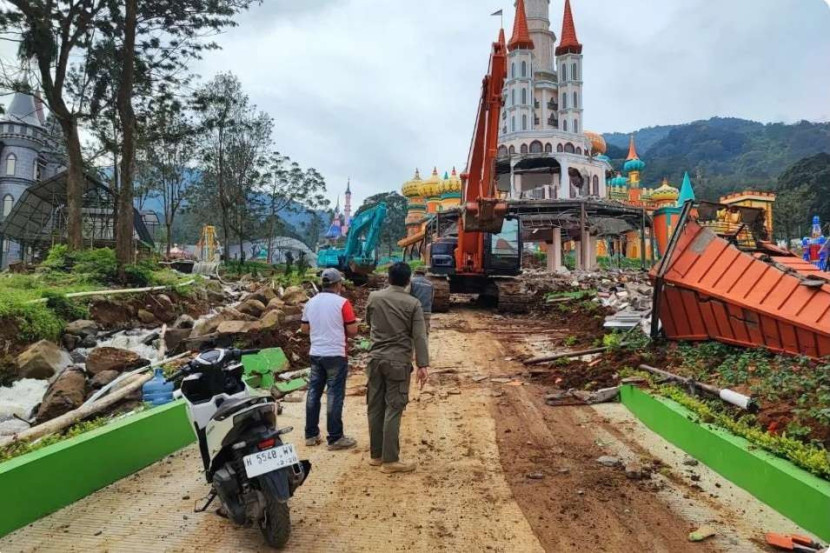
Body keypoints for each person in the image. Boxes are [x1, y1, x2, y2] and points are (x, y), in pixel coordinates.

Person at [365, 262, 429, 473]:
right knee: (394, 408)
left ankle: (376, 455)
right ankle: (391, 461)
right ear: (408, 280)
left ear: (388, 278)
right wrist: (422, 364)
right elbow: (419, 335)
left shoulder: (374, 297)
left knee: (375, 407)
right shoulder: (413, 304)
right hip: (398, 363)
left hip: (375, 360)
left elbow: (368, 322)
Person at [300, 268, 358, 450]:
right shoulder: (343, 303)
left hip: (316, 353)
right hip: (336, 354)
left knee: (314, 393)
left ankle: (311, 434)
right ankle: (335, 437)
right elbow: (352, 331)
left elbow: (304, 329)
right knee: (334, 395)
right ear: (338, 284)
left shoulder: (310, 303)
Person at [409, 266, 434, 333]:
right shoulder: (430, 284)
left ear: (415, 273)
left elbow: (407, 296)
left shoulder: (411, 282)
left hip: (413, 311)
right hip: (426, 311)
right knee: (425, 332)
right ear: (425, 273)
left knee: (412, 332)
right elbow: (431, 298)